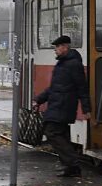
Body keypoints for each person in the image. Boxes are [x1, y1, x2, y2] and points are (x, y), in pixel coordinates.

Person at [34, 35, 91, 177]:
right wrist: (39, 100)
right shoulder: (63, 63)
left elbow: (81, 87)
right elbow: (54, 87)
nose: (55, 50)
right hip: (59, 103)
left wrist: (86, 108)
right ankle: (70, 167)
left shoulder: (73, 64)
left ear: (65, 47)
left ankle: (72, 163)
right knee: (63, 135)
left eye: (57, 47)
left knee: (51, 132)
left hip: (63, 105)